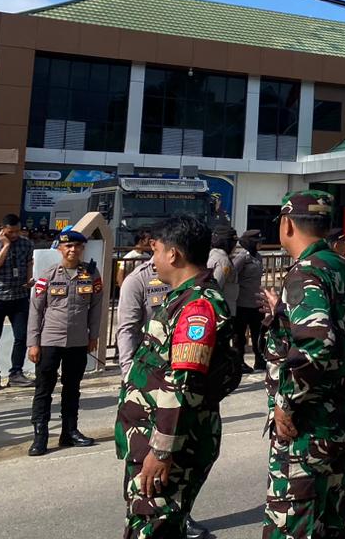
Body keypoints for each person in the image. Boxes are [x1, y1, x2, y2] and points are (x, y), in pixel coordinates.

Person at [115, 214, 234, 539]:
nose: (152, 261)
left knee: (154, 528)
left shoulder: (197, 306)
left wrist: (162, 450)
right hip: (156, 439)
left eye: (155, 251)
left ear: (173, 254)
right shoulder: (182, 298)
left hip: (170, 446)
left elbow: (184, 384)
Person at [260, 190, 345, 539]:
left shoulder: (305, 273)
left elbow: (317, 345)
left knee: (293, 526)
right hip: (343, 416)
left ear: (287, 225)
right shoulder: (343, 268)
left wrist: (286, 403)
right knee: (330, 523)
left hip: (311, 424)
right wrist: (283, 313)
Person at [26, 228, 101, 456]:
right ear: (59, 248)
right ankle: (40, 436)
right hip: (50, 340)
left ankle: (69, 432)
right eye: (68, 246)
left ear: (82, 248)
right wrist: (33, 342)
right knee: (44, 389)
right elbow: (36, 310)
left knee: (72, 388)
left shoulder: (91, 274)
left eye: (77, 246)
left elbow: (96, 306)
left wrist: (93, 336)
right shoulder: (48, 275)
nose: (72, 250)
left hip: (78, 341)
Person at [0, 213, 35, 391]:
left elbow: (29, 264)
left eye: (18, 231)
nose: (15, 235)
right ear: (3, 229)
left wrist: (29, 280)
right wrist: (5, 246)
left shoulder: (26, 244)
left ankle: (16, 373)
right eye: (11, 231)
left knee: (21, 337)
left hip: (19, 296)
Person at [115, 252, 174, 378]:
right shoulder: (137, 278)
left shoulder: (186, 275)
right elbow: (127, 329)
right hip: (148, 363)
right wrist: (128, 374)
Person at [233, 230, 266, 373]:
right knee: (239, 336)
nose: (261, 244)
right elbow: (232, 275)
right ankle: (239, 362)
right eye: (258, 241)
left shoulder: (258, 257)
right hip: (242, 303)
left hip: (256, 303)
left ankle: (260, 360)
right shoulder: (242, 257)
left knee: (258, 333)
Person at [207, 229, 235, 313]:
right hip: (222, 308)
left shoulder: (215, 255)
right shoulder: (223, 260)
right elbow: (216, 286)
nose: (235, 246)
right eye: (233, 243)